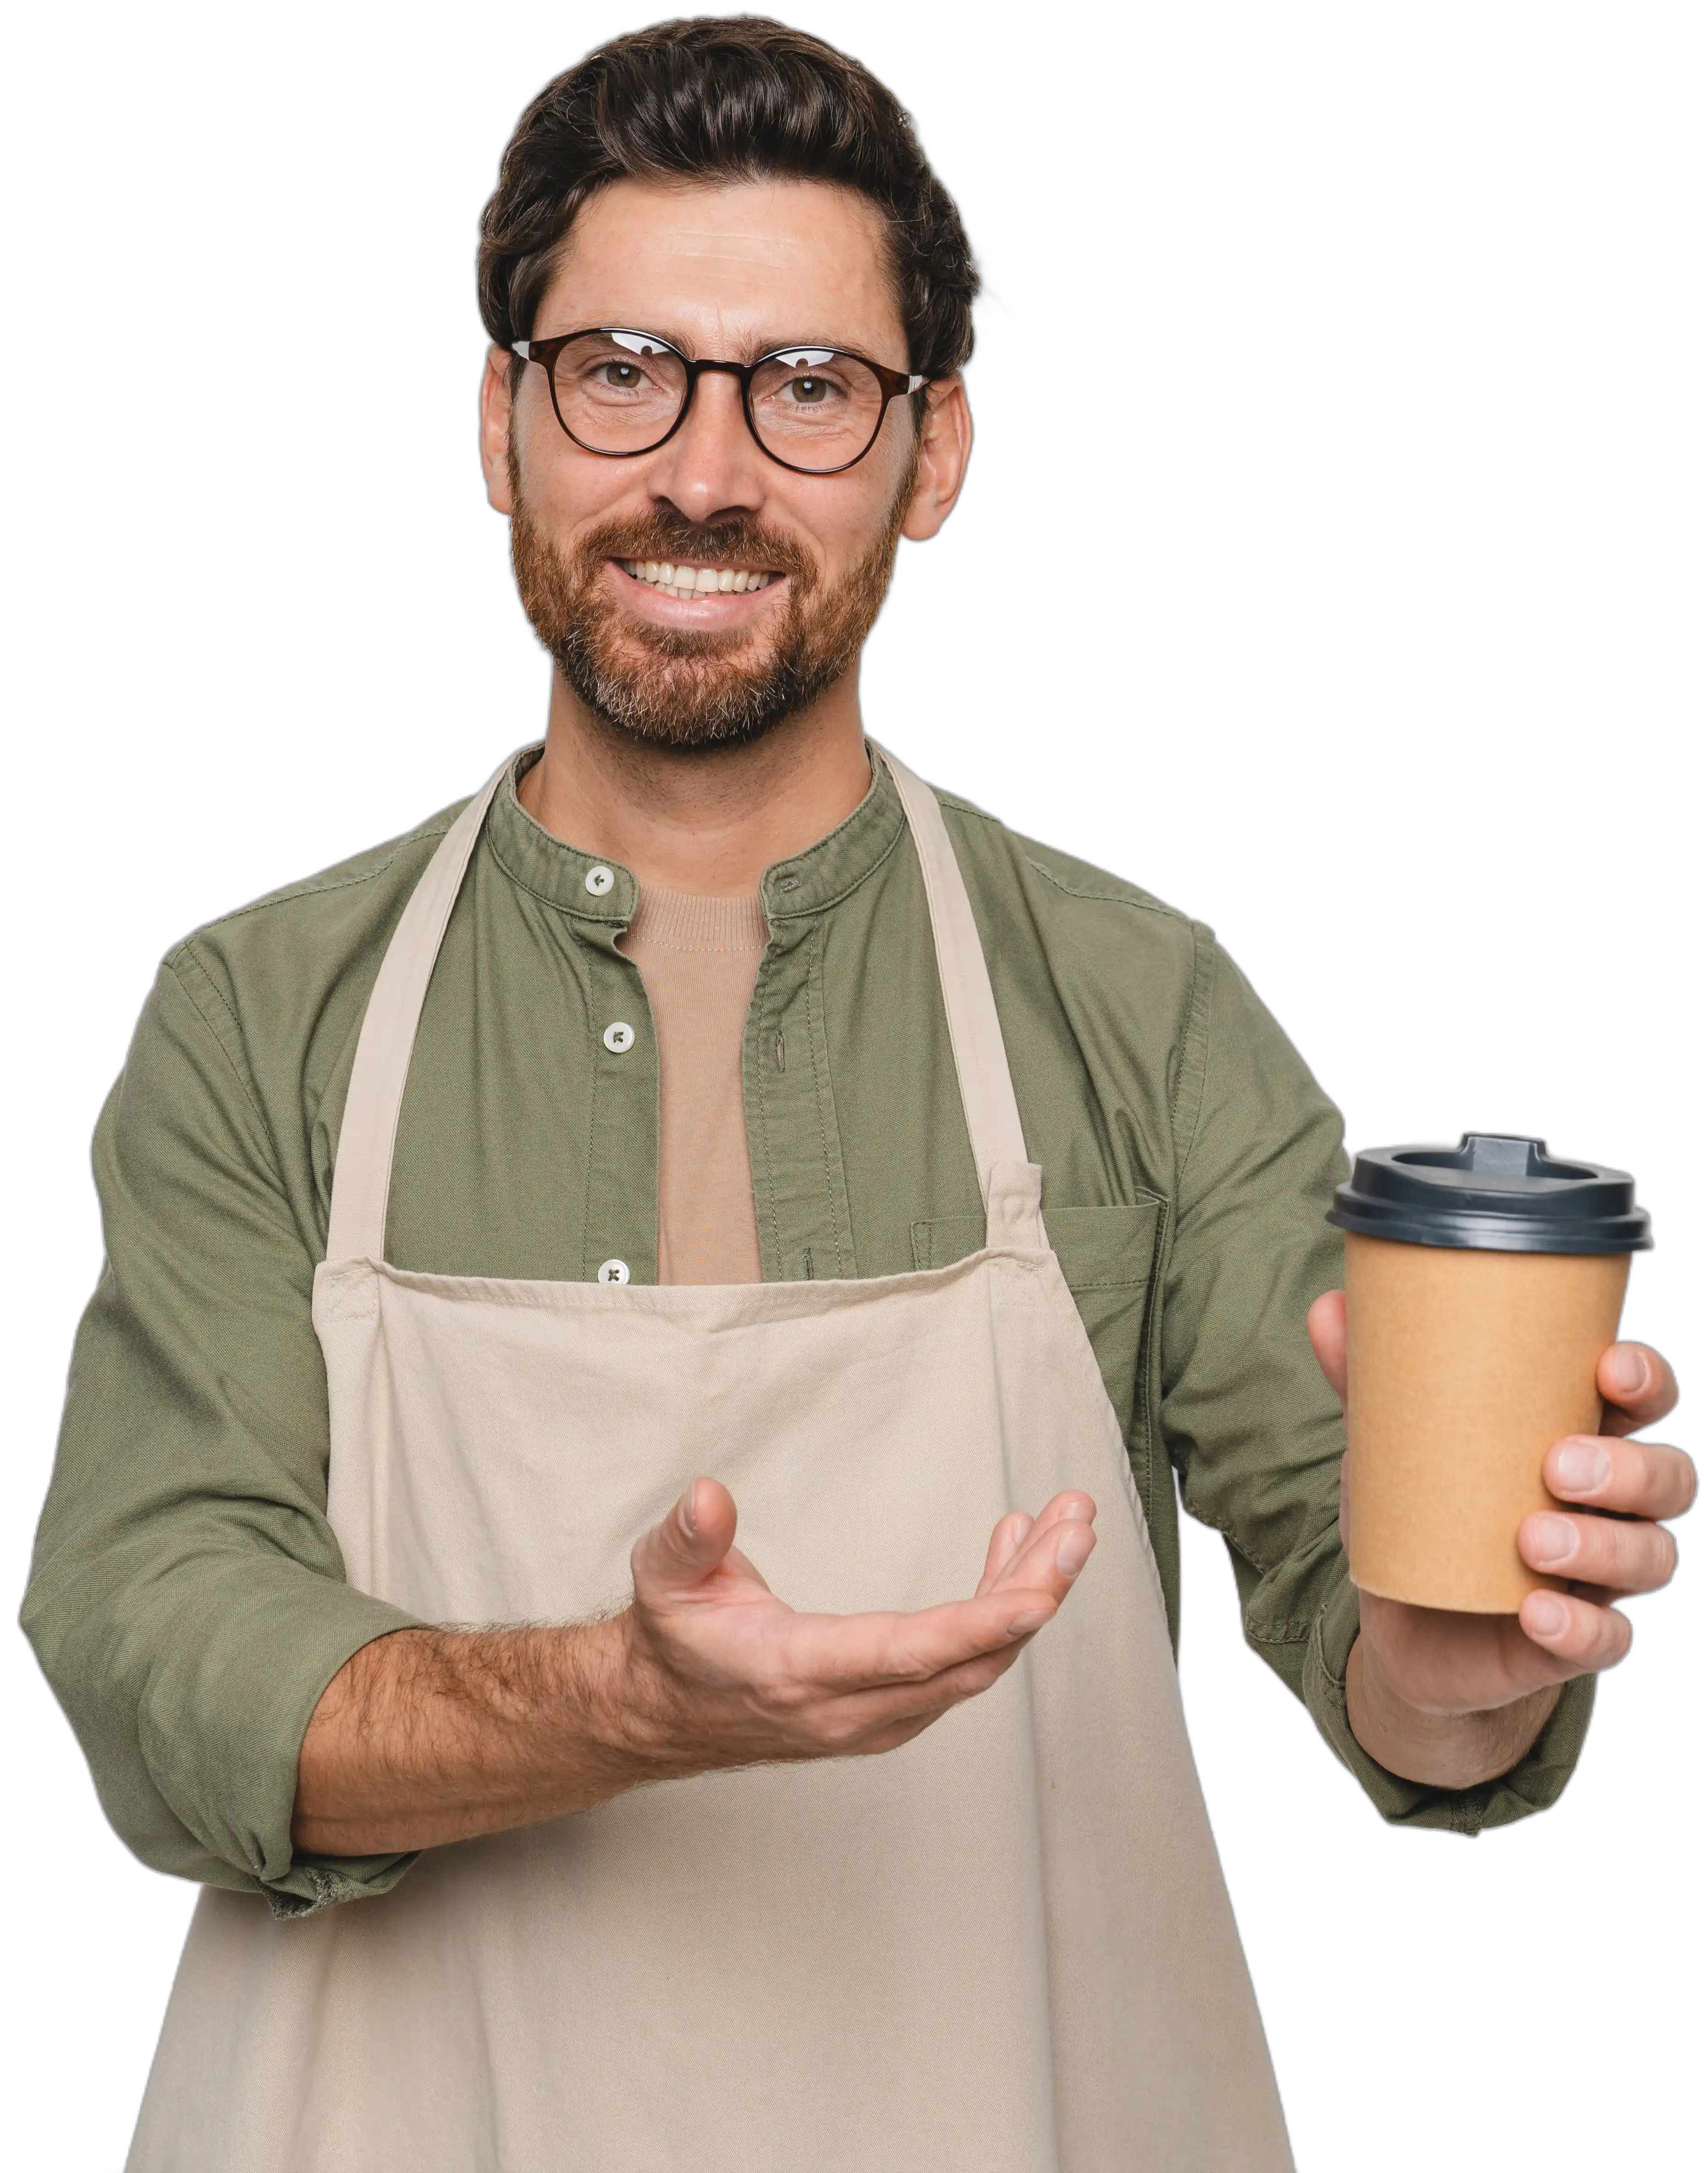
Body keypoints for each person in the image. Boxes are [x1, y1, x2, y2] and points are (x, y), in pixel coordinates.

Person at [23, 19, 1691, 2172]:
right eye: (621, 369)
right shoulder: (259, 1014)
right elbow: (159, 1650)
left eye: (808, 389)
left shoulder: (1135, 1002)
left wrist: (1465, 1650)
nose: (704, 472)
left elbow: (1373, 1635)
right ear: (499, 427)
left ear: (934, 457)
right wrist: (622, 1705)